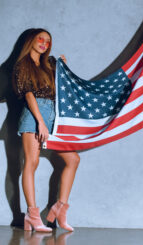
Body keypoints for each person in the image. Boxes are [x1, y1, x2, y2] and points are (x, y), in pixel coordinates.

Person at [13, 28, 80, 232]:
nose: (44, 43)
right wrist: (40, 122)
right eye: (40, 39)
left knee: (73, 159)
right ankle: (32, 215)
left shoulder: (49, 64)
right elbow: (29, 94)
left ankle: (59, 209)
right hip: (34, 115)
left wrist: (63, 71)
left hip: (52, 116)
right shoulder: (22, 64)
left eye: (48, 41)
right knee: (31, 163)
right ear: (30, 40)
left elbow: (60, 90)